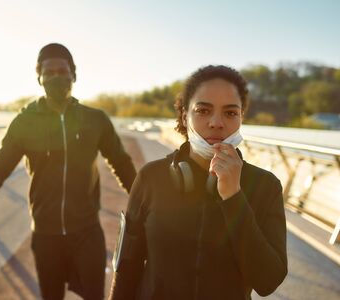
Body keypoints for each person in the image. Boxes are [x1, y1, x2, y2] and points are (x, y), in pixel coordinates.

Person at [0, 43, 137, 300]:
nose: (56, 77)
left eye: (62, 71)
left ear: (73, 75)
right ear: (39, 78)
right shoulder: (25, 122)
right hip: (45, 237)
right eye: (49, 72)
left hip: (87, 233)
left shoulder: (94, 119)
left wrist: (151, 207)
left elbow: (121, 163)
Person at [109, 65, 287, 299]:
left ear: (241, 117)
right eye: (203, 111)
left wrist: (234, 198)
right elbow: (126, 270)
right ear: (185, 115)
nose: (216, 122)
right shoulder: (151, 177)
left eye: (230, 113)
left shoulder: (266, 186)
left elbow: (267, 282)